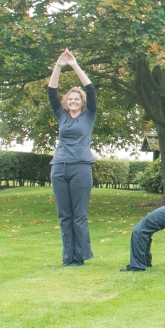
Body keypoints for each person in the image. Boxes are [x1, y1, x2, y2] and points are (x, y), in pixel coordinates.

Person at [47, 49, 97, 267]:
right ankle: (68, 259)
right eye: (70, 99)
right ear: (66, 102)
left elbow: (91, 89)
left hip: (81, 169)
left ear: (82, 102)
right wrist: (58, 66)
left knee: (79, 216)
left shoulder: (89, 116)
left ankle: (80, 257)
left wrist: (75, 65)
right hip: (59, 167)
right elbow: (51, 91)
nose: (74, 101)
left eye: (77, 98)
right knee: (64, 216)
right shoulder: (61, 116)